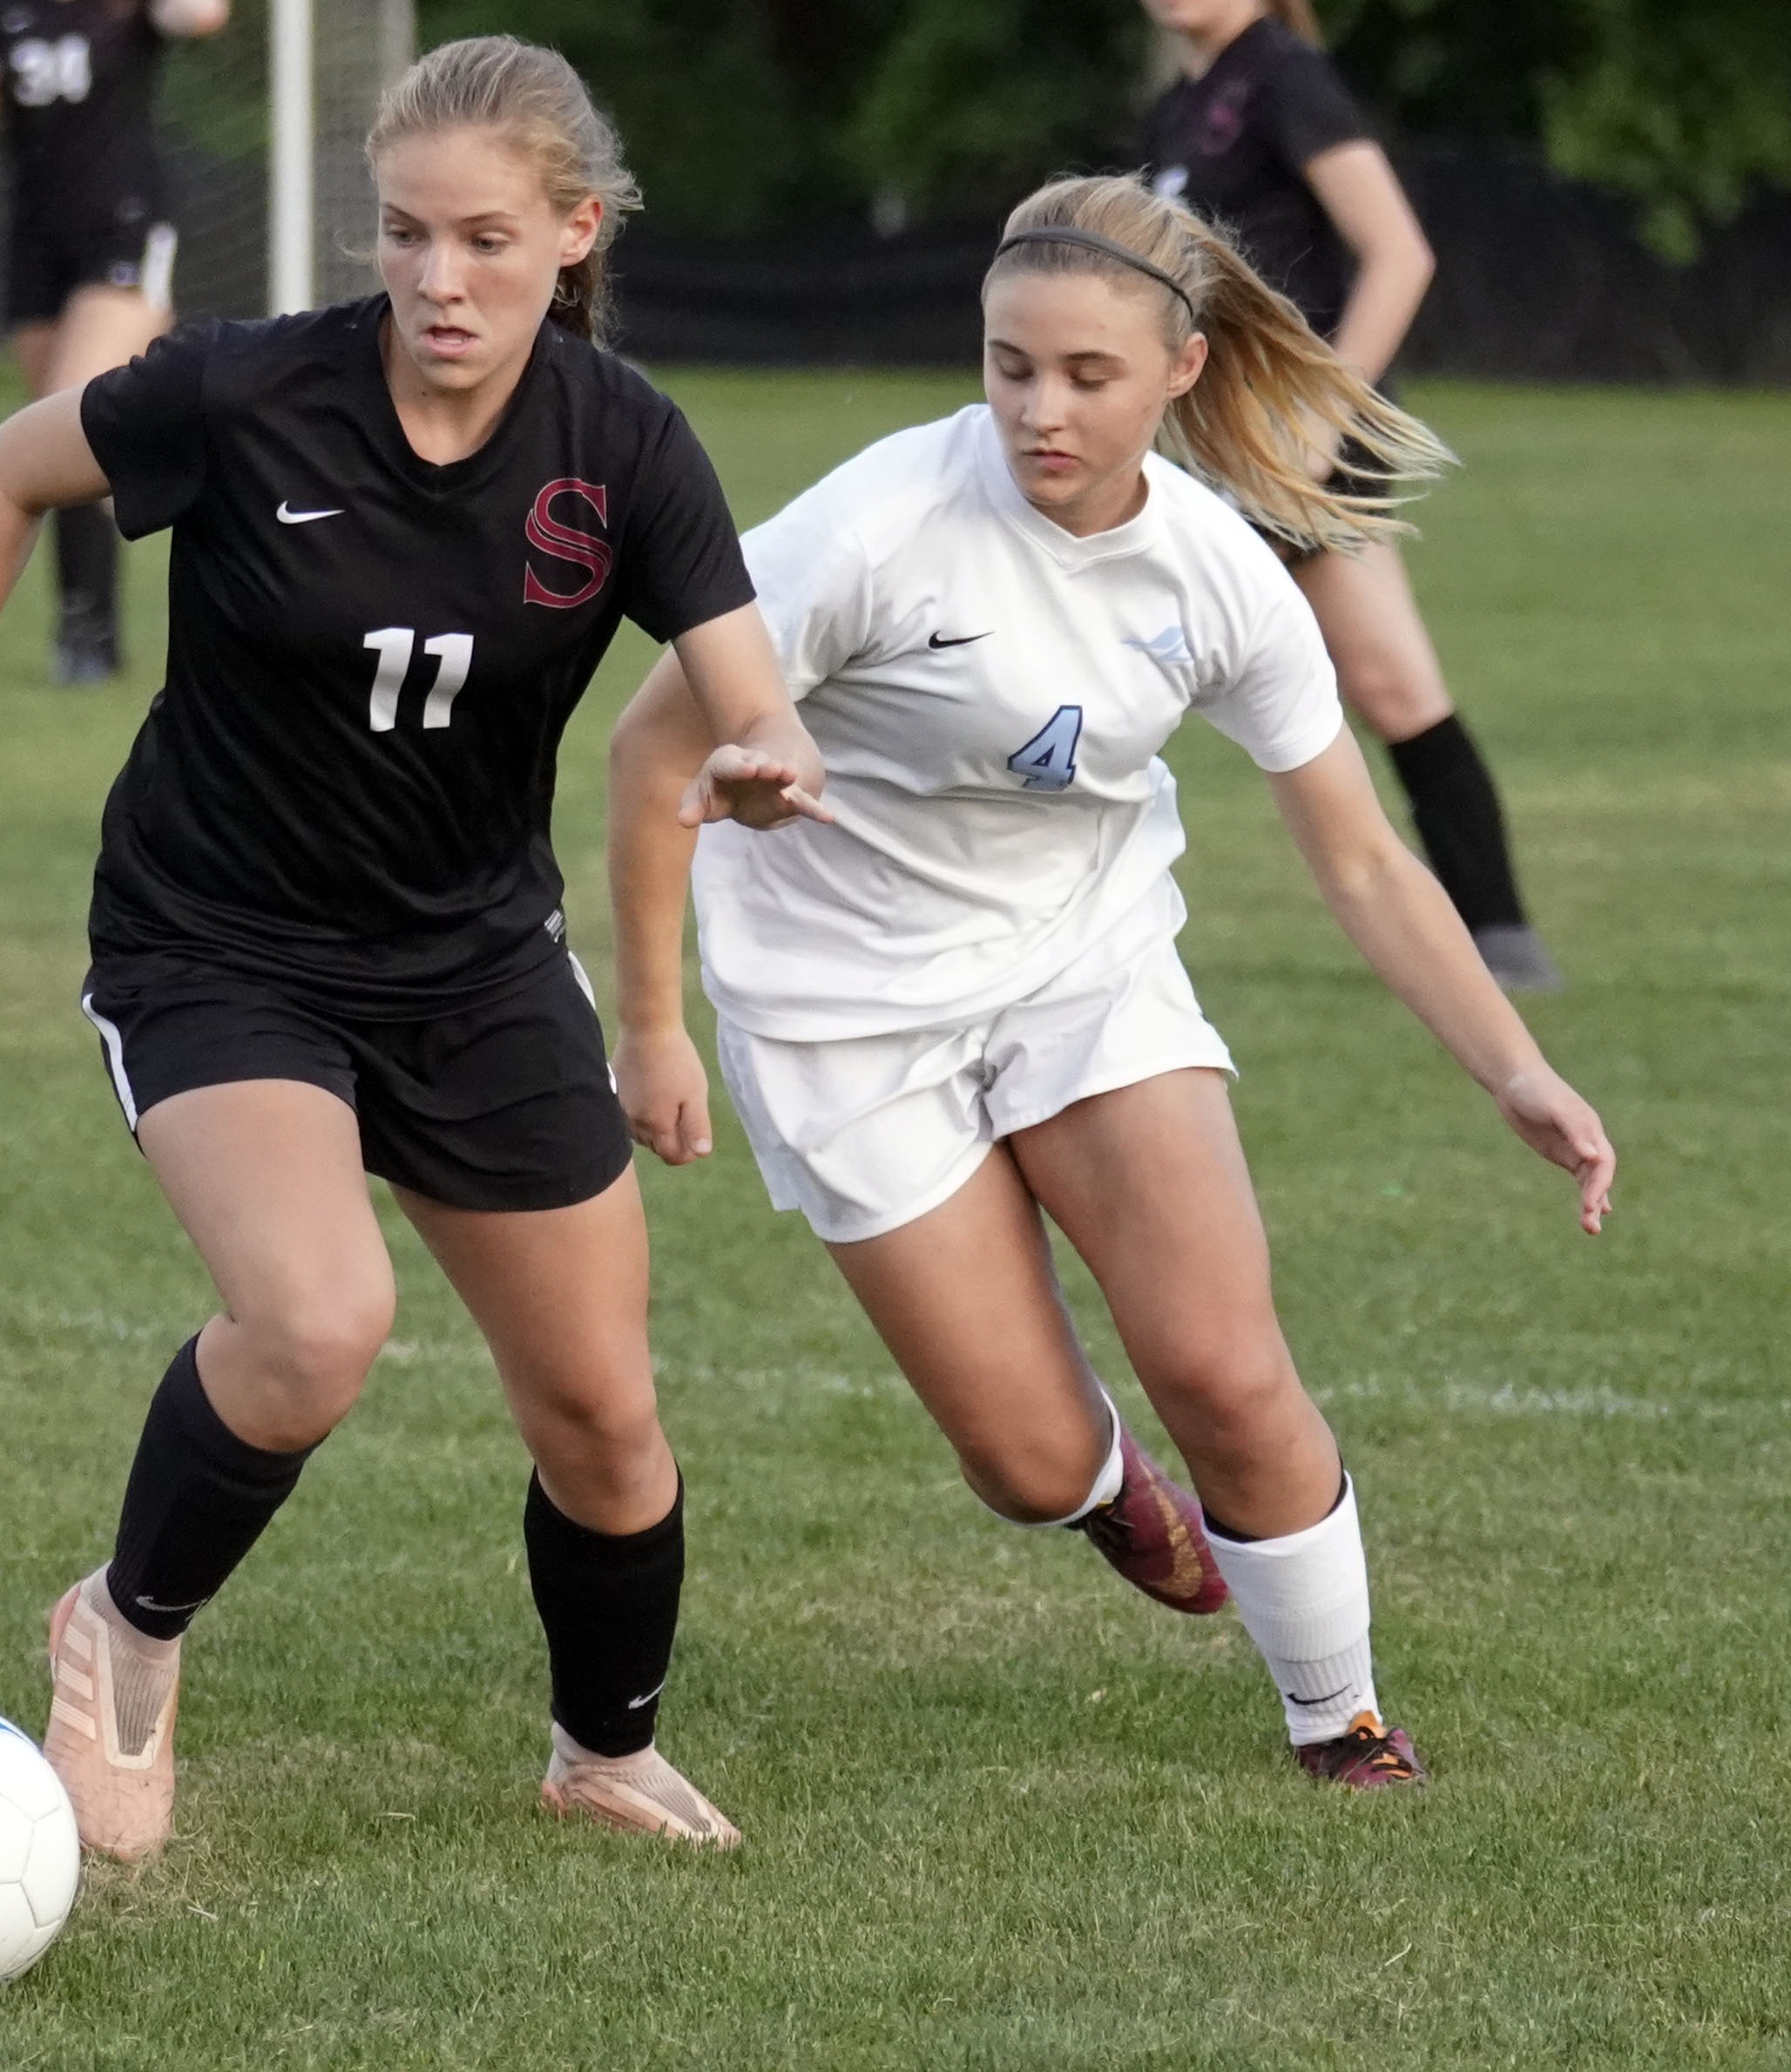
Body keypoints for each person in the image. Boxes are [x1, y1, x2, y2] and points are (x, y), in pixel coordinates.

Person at [0, 36, 828, 1859]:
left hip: (469, 964)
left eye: (483, 241)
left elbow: (743, 702)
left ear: (572, 234)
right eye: (404, 237)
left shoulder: (623, 444)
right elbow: (5, 475)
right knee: (316, 1321)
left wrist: (765, 771)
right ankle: (121, 1634)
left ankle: (602, 1749)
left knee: (606, 1416)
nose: (439, 281)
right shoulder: (244, 392)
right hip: (217, 941)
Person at [609, 173, 1617, 1789]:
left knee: (1221, 1360)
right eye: (1009, 365)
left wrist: (1515, 1069)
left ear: (1180, 371)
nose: (1035, 408)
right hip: (837, 1008)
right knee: (1018, 1459)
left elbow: (1359, 856)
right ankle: (1104, 1492)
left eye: (1085, 375)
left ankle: (1336, 1717)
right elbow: (651, 741)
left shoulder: (1215, 569)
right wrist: (651, 1020)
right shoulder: (871, 528)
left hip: (1079, 963)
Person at [1141, 0, 1563, 992]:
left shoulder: (1281, 76)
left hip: (1299, 440)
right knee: (1387, 685)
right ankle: (1499, 937)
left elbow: (1399, 252)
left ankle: (1499, 942)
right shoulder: (1181, 104)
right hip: (1237, 439)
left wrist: (1325, 412)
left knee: (1132, 638)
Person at [0, 0, 232, 684]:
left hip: (125, 228)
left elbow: (202, 15)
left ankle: (89, 637)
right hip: (37, 242)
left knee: (76, 407)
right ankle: (86, 622)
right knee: (57, 442)